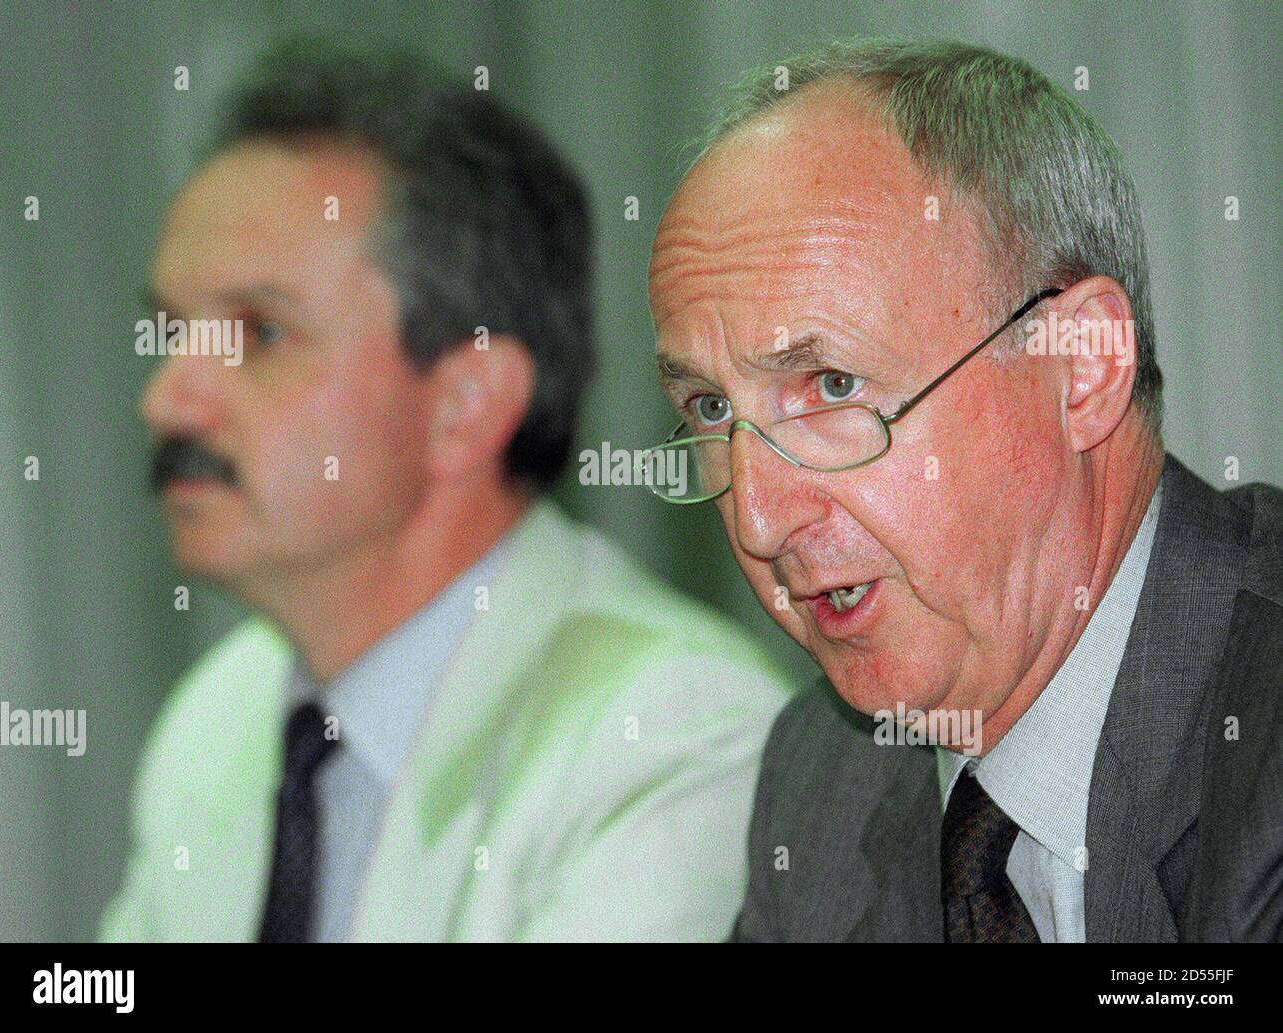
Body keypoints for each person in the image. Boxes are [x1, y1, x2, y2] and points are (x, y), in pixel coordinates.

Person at [101, 38, 793, 943]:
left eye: (258, 332)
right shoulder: (218, 718)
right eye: (171, 331)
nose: (167, 395)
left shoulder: (671, 740)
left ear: (465, 405)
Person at [644, 38, 1282, 942]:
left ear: (1083, 367)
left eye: (831, 387)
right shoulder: (827, 773)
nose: (755, 518)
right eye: (710, 407)